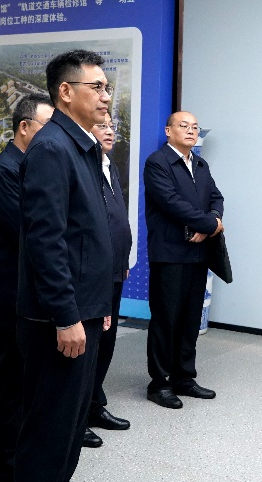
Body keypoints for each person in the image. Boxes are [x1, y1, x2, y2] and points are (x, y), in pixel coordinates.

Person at [11, 49, 114, 482]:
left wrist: (96, 307)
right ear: (66, 92)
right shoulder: (53, 148)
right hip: (60, 318)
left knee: (72, 427)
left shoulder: (82, 145)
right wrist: (67, 315)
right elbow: (47, 241)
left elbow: (86, 235)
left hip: (84, 310)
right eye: (96, 87)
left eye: (107, 87)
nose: (105, 96)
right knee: (49, 433)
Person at [0, 93, 54, 482]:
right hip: (11, 296)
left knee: (26, 384)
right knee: (11, 386)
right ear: (24, 127)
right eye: (47, 126)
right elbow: (28, 231)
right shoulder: (5, 171)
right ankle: (5, 475)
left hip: (28, 296)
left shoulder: (28, 166)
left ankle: (20, 462)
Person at [143, 110, 224, 408]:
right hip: (170, 253)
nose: (191, 131)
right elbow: (171, 203)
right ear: (168, 130)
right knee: (166, 318)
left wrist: (212, 219)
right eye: (184, 125)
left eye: (195, 127)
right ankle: (160, 383)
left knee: (190, 318)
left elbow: (216, 197)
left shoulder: (200, 164)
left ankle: (184, 377)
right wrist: (210, 224)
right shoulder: (158, 162)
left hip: (198, 253)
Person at [86, 118, 134, 444]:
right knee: (89, 346)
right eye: (101, 125)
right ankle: (76, 417)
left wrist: (122, 259)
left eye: (111, 126)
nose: (109, 131)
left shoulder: (109, 166)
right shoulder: (84, 168)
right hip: (94, 272)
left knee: (107, 341)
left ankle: (94, 404)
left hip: (115, 268)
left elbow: (117, 217)